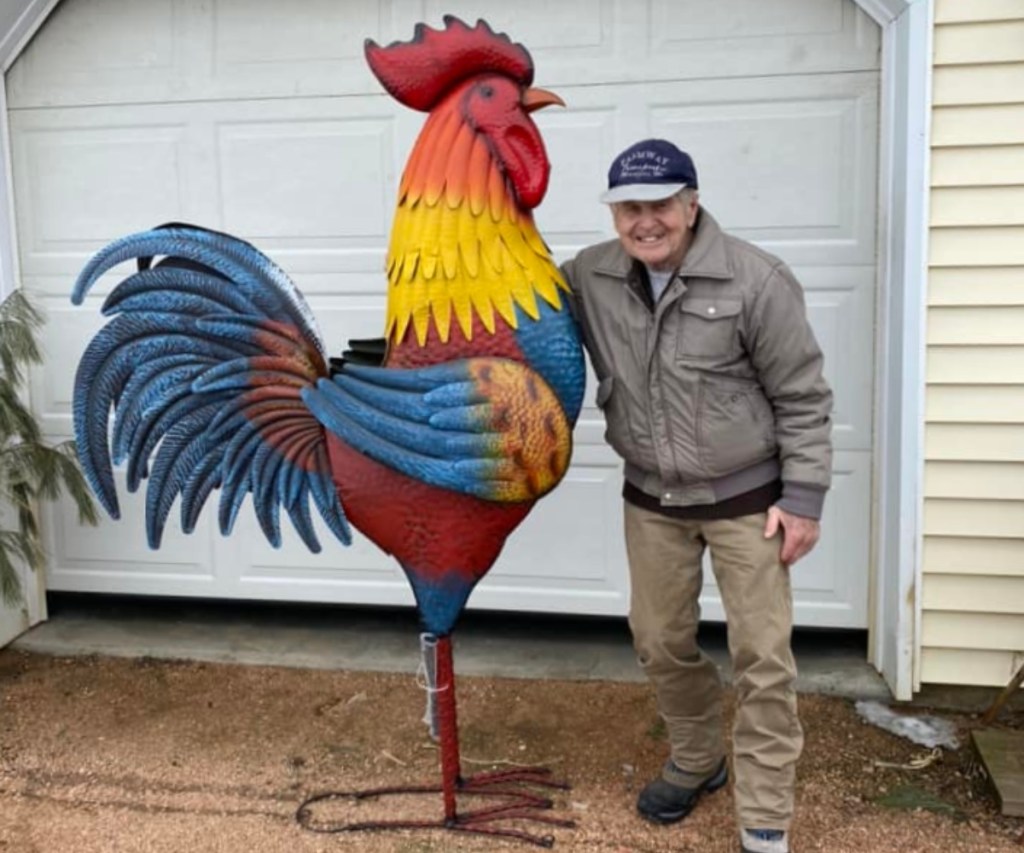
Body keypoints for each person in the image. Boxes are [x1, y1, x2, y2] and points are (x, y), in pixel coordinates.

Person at [560, 139, 833, 853]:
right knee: (657, 639)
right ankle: (698, 756)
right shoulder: (588, 276)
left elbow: (803, 396)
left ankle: (766, 812)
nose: (644, 221)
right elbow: (517, 315)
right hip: (652, 500)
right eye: (628, 208)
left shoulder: (756, 280)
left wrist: (802, 498)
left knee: (763, 655)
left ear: (691, 203)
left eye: (659, 205)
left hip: (749, 501)